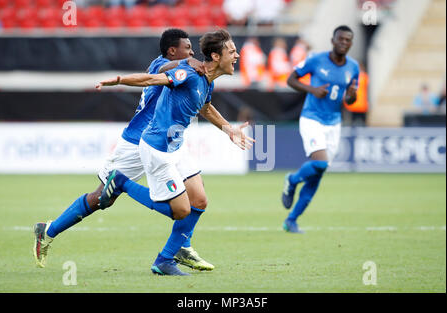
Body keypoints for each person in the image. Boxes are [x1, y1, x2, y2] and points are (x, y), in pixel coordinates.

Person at [32, 29, 213, 272]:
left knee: (198, 198)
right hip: (139, 143)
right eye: (187, 47)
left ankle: (179, 247)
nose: (192, 52)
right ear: (172, 51)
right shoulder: (163, 65)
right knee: (101, 199)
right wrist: (187, 61)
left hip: (168, 144)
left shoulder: (182, 69)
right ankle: (48, 231)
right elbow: (161, 72)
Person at [96, 29, 254, 275]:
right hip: (157, 148)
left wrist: (229, 129)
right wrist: (119, 81)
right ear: (215, 55)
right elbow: (152, 79)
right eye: (232, 51)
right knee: (180, 210)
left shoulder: (206, 81)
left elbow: (206, 107)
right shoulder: (189, 74)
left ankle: (166, 259)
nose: (237, 56)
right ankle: (120, 183)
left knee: (199, 200)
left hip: (176, 148)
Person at [281, 25, 359, 233]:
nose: (344, 43)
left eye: (348, 40)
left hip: (334, 123)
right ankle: (292, 179)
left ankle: (291, 220)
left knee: (318, 174)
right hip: (312, 118)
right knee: (321, 163)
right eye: (340, 39)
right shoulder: (316, 60)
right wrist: (312, 89)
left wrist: (351, 94)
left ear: (351, 43)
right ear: (333, 41)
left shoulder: (353, 67)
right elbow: (291, 79)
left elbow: (350, 100)